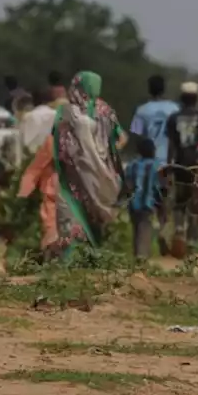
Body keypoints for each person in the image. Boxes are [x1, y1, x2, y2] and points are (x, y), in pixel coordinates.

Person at [19, 71, 123, 260]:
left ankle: (71, 261)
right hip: (100, 178)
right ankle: (93, 259)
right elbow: (120, 139)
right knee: (94, 218)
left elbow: (55, 140)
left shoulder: (66, 111)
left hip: (70, 177)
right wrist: (101, 159)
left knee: (69, 219)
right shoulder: (106, 112)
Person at [165, 81, 198, 257]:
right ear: (196, 98)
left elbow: (171, 145)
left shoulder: (173, 118)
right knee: (195, 204)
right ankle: (192, 242)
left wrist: (169, 167)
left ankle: (178, 230)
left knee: (179, 202)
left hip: (180, 165)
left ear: (182, 98)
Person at [125, 137, 163, 259]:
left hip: (133, 203)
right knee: (144, 228)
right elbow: (158, 186)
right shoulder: (157, 166)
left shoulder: (132, 165)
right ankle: (142, 256)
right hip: (147, 203)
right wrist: (160, 204)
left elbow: (127, 184)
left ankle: (137, 254)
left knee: (136, 229)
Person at [130, 75, 179, 165]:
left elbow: (136, 136)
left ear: (149, 89)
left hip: (148, 162)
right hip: (168, 161)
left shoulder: (141, 110)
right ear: (164, 89)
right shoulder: (174, 109)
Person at [19, 89, 57, 155]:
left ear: (33, 102)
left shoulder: (29, 116)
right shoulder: (56, 114)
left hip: (35, 155)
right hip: (54, 154)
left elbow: (25, 141)